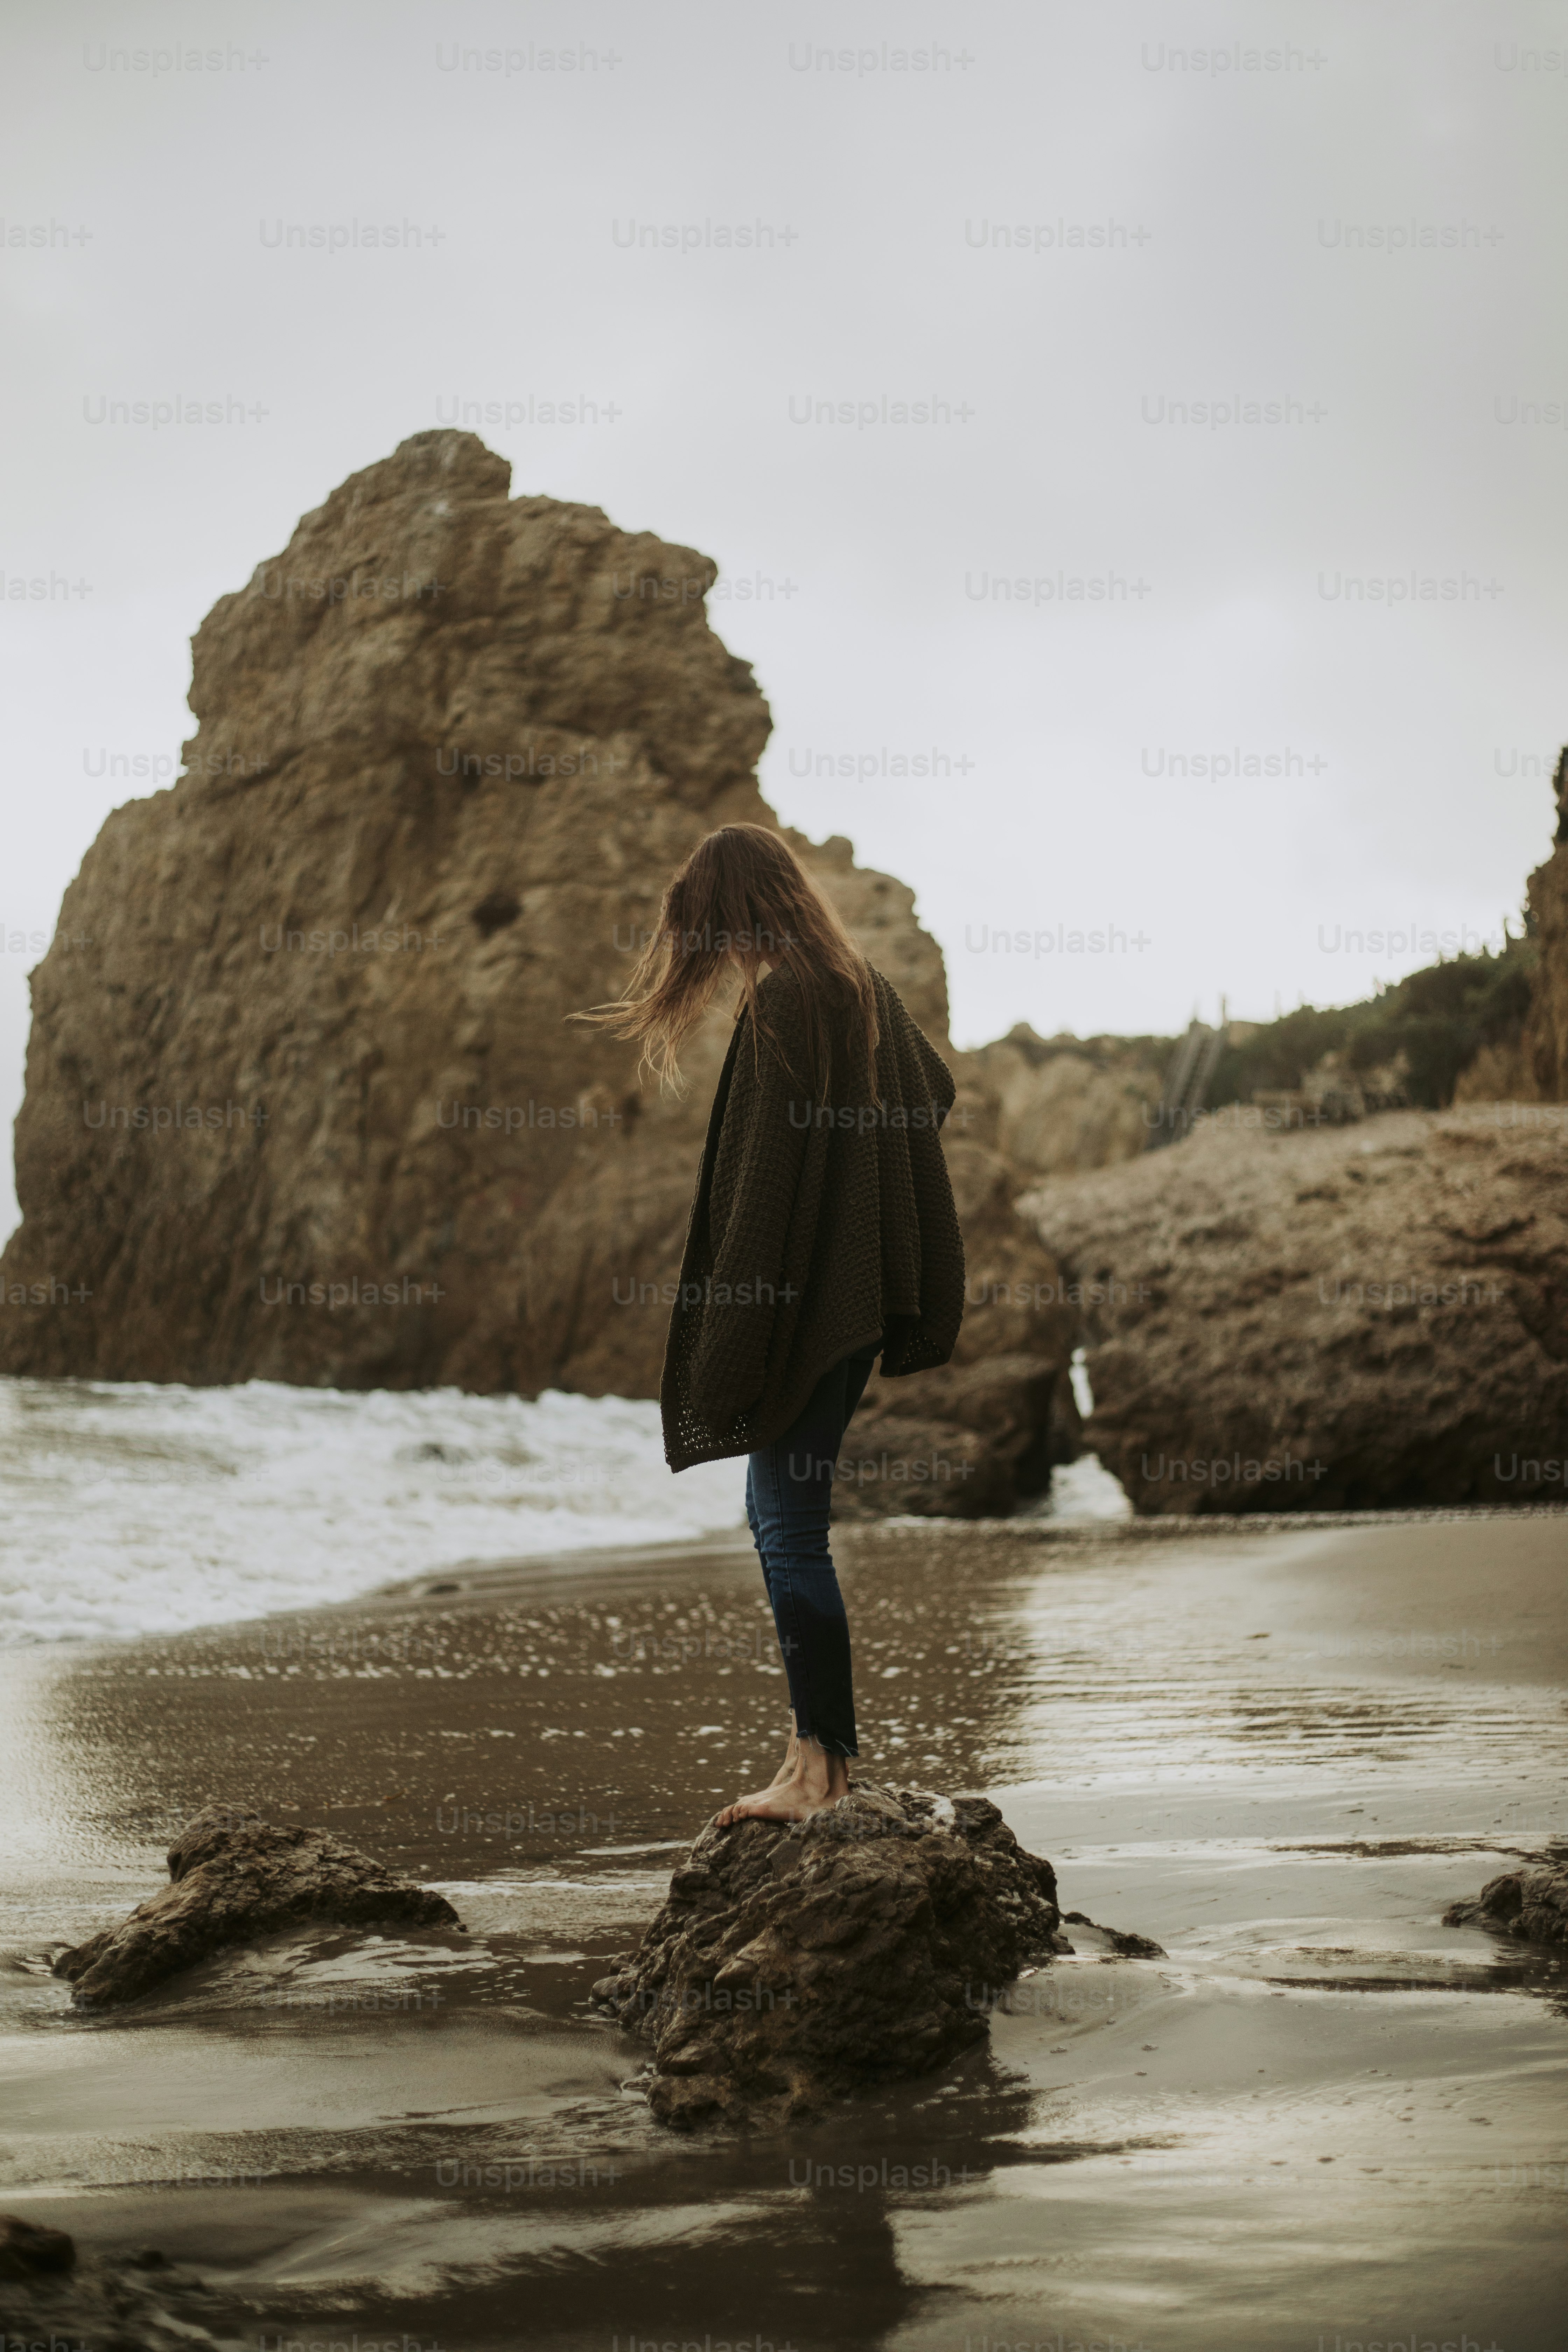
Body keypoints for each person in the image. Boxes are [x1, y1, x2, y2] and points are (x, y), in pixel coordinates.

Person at [577, 824, 965, 1822]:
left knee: (789, 1531)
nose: (701, 946)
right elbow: (935, 1089)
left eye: (703, 923)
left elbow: (759, 1186)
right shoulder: (860, 985)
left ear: (732, 910)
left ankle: (821, 1775)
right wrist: (864, 1197)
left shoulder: (788, 997)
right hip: (854, 1304)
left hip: (806, 1309)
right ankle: (814, 1761)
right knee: (780, 1521)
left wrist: (733, 1326)